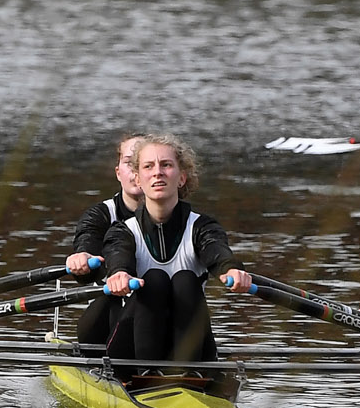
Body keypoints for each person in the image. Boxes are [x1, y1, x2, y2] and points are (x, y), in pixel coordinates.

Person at [100, 134, 251, 388]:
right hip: (130, 354)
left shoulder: (202, 227)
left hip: (192, 355)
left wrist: (231, 269)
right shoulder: (122, 231)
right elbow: (118, 256)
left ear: (181, 177)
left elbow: (216, 250)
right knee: (154, 280)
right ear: (138, 179)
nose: (158, 173)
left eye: (166, 165)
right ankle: (147, 374)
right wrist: (119, 274)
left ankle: (188, 375)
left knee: (185, 280)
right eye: (149, 166)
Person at [66, 133, 144, 348]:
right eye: (129, 163)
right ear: (118, 173)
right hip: (104, 324)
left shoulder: (185, 220)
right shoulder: (100, 215)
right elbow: (87, 239)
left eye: (143, 163)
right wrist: (83, 256)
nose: (136, 171)